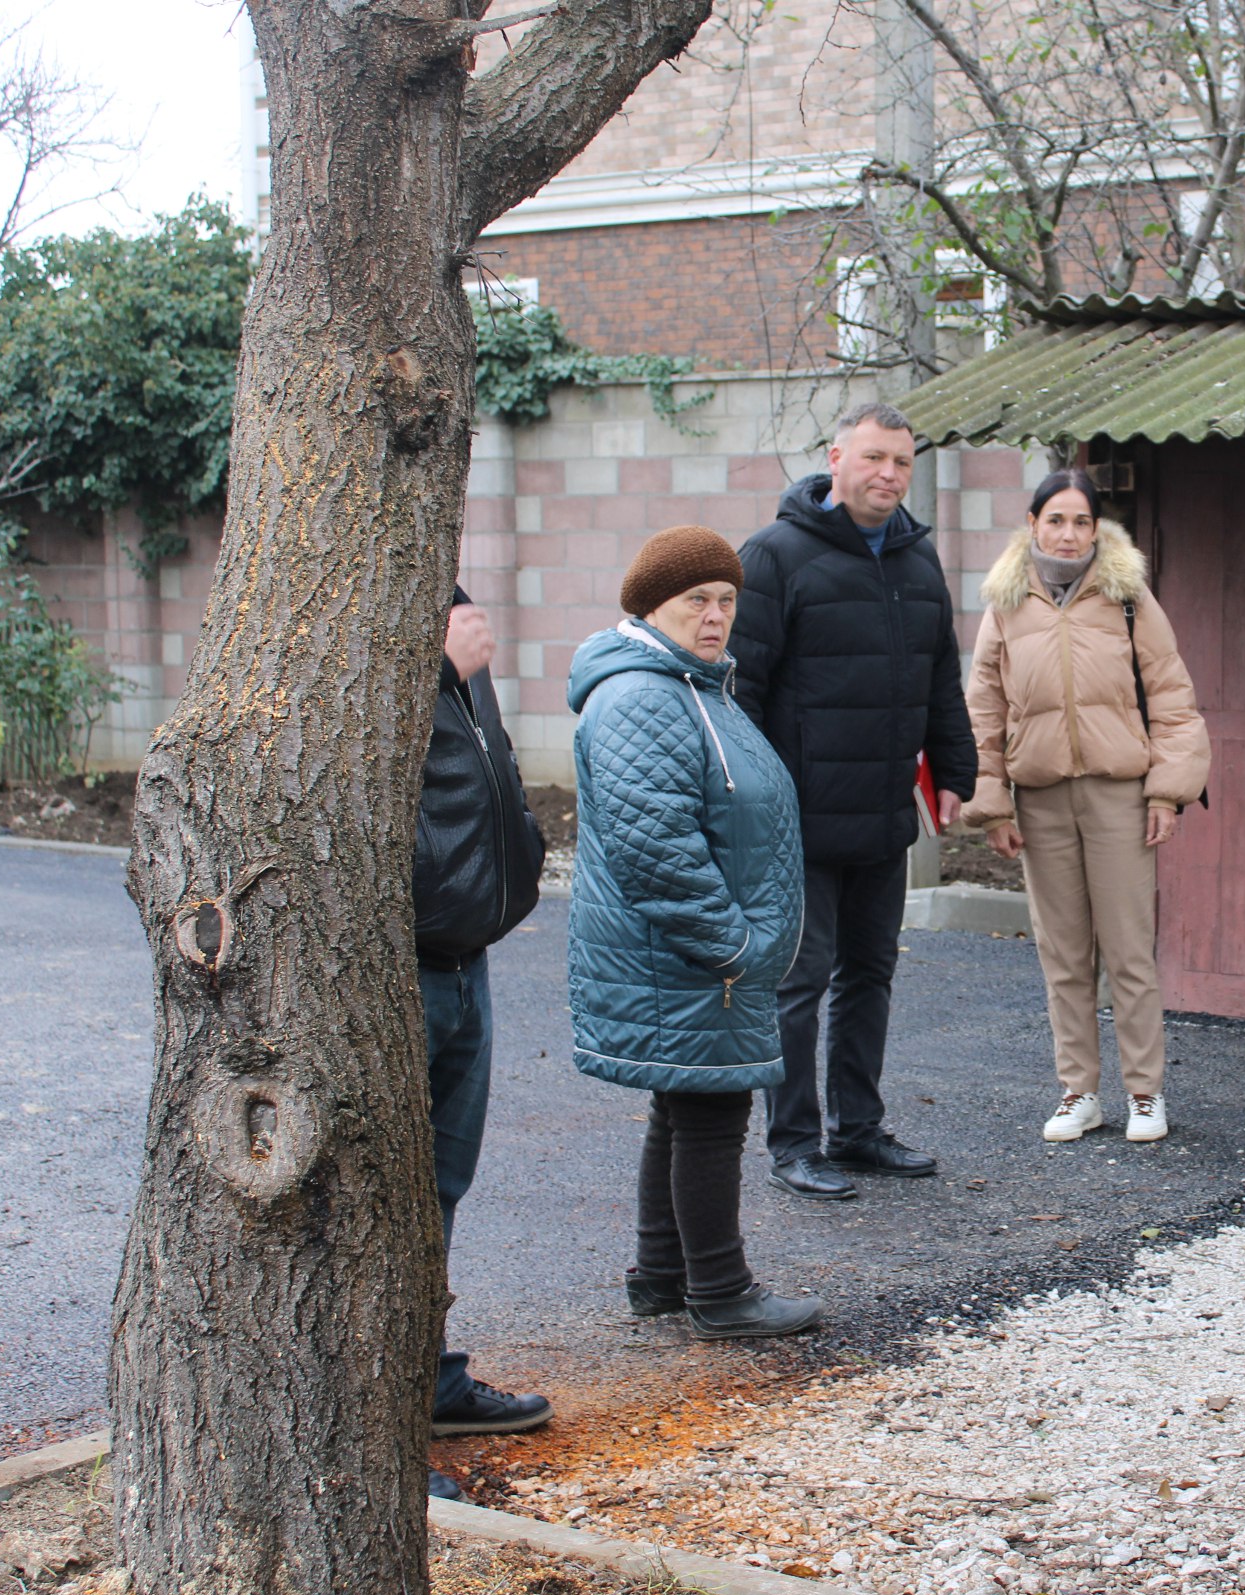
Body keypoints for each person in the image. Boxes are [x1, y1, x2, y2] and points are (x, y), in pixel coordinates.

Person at [565, 526, 823, 1339]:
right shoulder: (645, 697)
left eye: (725, 601)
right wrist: (733, 946)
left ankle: (665, 1276)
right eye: (695, 602)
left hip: (696, 959)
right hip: (693, 958)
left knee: (683, 1108)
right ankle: (721, 1291)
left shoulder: (694, 686)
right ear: (650, 608)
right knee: (711, 1115)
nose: (715, 617)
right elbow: (657, 850)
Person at [730, 401, 978, 1199]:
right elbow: (740, 691)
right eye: (874, 458)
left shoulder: (915, 561)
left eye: (902, 463)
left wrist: (957, 769)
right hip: (796, 823)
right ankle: (795, 1143)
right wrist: (749, 802)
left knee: (870, 973)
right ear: (835, 459)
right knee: (798, 985)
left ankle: (859, 1129)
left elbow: (940, 675)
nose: (888, 475)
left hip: (881, 814)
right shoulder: (774, 557)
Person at [962, 470, 1210, 1142]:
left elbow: (1172, 696)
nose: (1068, 534)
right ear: (1034, 524)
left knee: (1129, 950)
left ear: (1096, 529)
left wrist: (1167, 791)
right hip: (1039, 799)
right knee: (1063, 954)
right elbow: (983, 710)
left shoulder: (1128, 596)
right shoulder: (1007, 604)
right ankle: (1079, 1091)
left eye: (1081, 522)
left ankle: (1144, 1093)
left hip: (1118, 796)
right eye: (1056, 520)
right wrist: (994, 806)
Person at [417, 591, 553, 1497]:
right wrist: (433, 673)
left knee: (440, 1183)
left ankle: (423, 1381)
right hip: (398, 961)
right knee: (385, 1192)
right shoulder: (356, 620)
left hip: (467, 952)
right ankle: (373, 1423)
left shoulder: (450, 616)